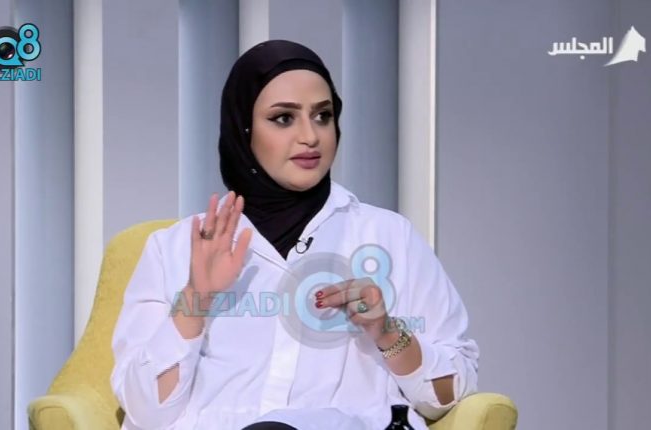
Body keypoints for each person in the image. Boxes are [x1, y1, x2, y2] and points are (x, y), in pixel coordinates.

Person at [111, 40, 479, 430]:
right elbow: (146, 412)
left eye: (323, 116)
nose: (310, 136)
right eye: (284, 118)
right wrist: (195, 298)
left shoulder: (389, 237)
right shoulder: (173, 248)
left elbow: (448, 395)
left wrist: (386, 331)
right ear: (243, 129)